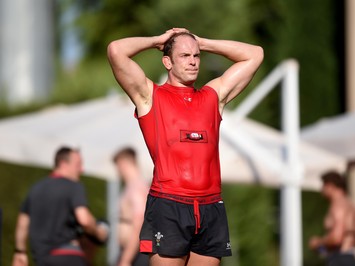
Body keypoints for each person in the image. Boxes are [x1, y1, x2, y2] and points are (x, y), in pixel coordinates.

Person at [107, 28, 263, 265]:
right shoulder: (150, 96)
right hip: (169, 204)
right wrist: (157, 41)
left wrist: (202, 42)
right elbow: (116, 50)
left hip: (210, 205)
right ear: (167, 62)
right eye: (184, 56)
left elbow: (255, 54)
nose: (192, 61)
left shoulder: (213, 96)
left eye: (196, 56)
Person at [12, 146, 109, 266]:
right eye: (78, 164)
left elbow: (22, 222)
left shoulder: (36, 188)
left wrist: (20, 252)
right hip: (69, 257)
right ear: (63, 163)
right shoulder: (73, 186)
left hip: (42, 260)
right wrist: (99, 232)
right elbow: (84, 220)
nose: (82, 169)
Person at [309, 171, 355, 266]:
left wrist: (317, 243)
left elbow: (337, 237)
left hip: (340, 259)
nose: (322, 190)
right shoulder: (350, 205)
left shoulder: (338, 206)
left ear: (331, 186)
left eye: (324, 186)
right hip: (350, 257)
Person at [113, 147, 149, 266]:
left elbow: (139, 221)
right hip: (132, 252)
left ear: (122, 163)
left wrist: (126, 259)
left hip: (135, 254)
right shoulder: (134, 186)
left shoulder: (136, 187)